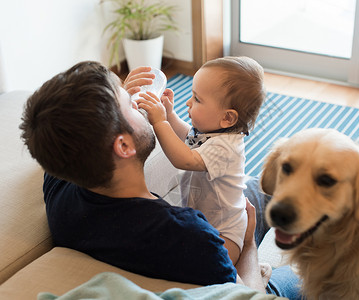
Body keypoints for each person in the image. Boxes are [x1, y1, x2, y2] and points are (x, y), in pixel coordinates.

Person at [19, 61, 301, 299]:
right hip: (231, 232)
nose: (139, 101)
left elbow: (56, 131)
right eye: (130, 105)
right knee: (299, 271)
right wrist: (249, 245)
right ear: (124, 147)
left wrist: (113, 104)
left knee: (254, 187)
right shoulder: (192, 237)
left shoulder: (59, 189)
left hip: (216, 198)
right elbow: (246, 295)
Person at [136, 56, 265, 265]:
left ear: (227, 118)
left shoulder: (226, 148)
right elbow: (188, 138)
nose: (189, 102)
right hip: (203, 218)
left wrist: (159, 122)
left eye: (197, 99)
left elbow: (184, 159)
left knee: (217, 262)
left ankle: (248, 272)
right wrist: (169, 115)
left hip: (226, 231)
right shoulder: (212, 133)